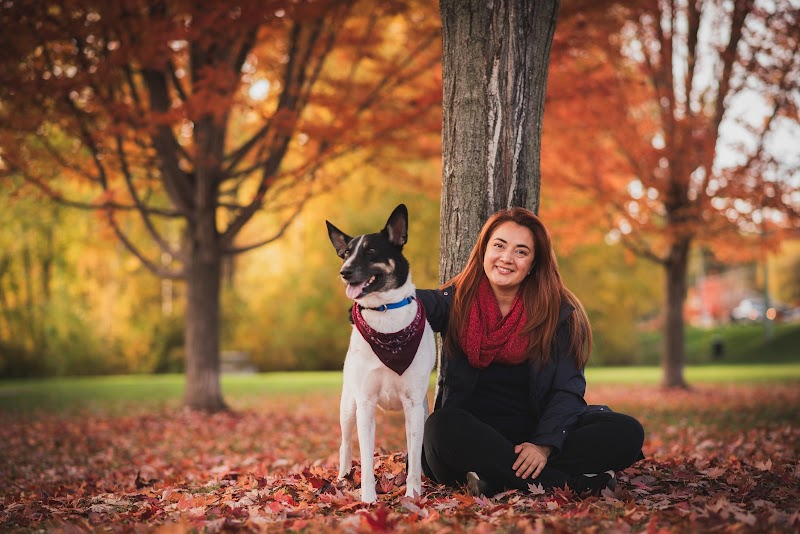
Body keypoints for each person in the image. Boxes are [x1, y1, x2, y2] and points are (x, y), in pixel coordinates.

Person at [416, 207, 644, 497]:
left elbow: (567, 391)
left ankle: (494, 478)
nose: (506, 258)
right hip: (470, 437)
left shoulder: (555, 313)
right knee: (441, 427)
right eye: (499, 246)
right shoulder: (455, 301)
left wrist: (544, 445)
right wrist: (374, 296)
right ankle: (565, 483)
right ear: (484, 250)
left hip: (533, 435)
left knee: (627, 432)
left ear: (534, 263)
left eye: (521, 252)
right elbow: (411, 304)